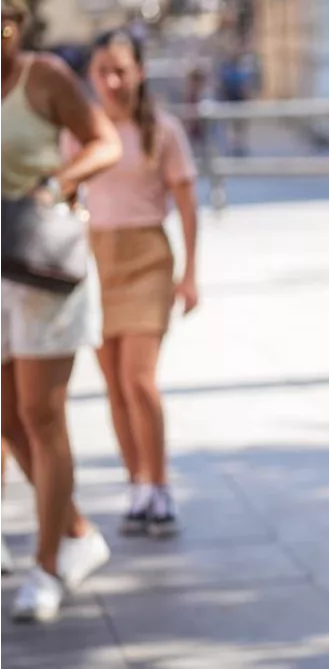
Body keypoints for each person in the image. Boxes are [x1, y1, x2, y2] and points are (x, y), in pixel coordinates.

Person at [0, 0, 122, 623]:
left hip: (41, 262)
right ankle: (76, 531)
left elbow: (106, 143)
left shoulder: (43, 76)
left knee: (41, 415)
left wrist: (58, 182)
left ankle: (46, 568)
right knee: (8, 418)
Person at [64, 28, 201, 539]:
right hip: (94, 260)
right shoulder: (81, 131)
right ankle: (136, 484)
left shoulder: (162, 130)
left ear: (139, 71)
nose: (113, 80)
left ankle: (160, 484)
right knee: (114, 385)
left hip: (146, 256)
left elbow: (186, 204)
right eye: (102, 71)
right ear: (90, 77)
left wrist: (190, 273)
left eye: (121, 69)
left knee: (139, 379)